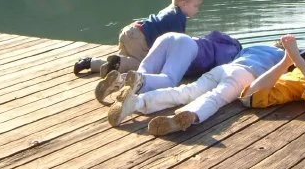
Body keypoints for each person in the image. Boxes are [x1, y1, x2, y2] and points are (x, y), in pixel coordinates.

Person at [106, 44, 285, 133]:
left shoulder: (252, 48)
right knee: (215, 98)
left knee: (186, 90)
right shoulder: (282, 55)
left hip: (224, 68)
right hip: (245, 75)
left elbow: (234, 56)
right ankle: (188, 115)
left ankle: (137, 101)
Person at [74, 0, 203, 77]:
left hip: (131, 31)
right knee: (144, 67)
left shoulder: (169, 10)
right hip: (139, 38)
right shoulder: (178, 17)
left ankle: (91, 62)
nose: (197, 9)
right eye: (196, 6)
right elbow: (178, 45)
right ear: (183, 4)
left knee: (121, 63)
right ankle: (115, 63)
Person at [94, 30, 242, 104]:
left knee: (144, 70)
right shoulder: (232, 51)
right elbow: (224, 71)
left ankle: (121, 79)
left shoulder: (213, 40)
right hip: (187, 45)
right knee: (169, 79)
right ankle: (138, 82)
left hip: (169, 37)